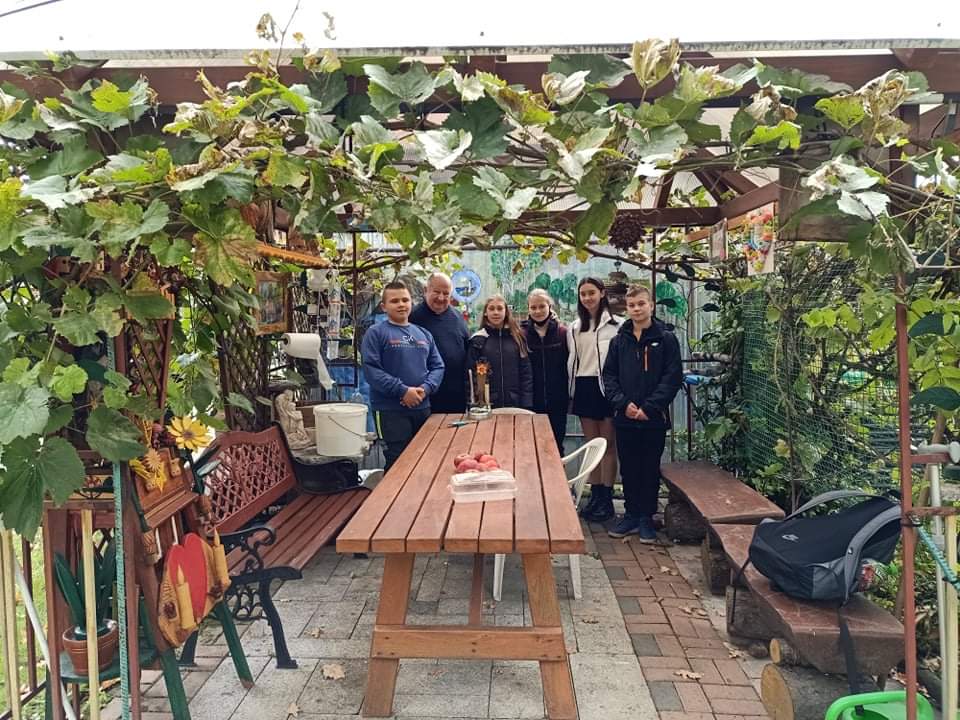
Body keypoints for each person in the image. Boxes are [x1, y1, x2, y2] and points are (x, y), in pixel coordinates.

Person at [602, 285, 682, 541]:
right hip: (625, 418)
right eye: (632, 305)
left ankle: (646, 517)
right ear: (627, 308)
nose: (636, 309)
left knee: (649, 467)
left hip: (653, 419)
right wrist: (622, 404)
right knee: (628, 467)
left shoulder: (666, 339)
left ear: (651, 305)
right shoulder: (619, 341)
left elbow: (672, 377)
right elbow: (609, 376)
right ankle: (631, 515)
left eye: (641, 304)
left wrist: (650, 407)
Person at [361, 281, 445, 470]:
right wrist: (402, 391)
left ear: (411, 303)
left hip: (422, 408)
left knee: (423, 459)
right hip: (390, 411)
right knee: (397, 462)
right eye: (394, 301)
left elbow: (438, 366)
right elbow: (371, 370)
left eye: (405, 300)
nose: (401, 304)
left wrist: (425, 389)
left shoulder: (424, 334)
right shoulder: (375, 333)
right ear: (384, 306)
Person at [567, 277, 621, 522]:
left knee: (608, 445)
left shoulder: (617, 325)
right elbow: (573, 360)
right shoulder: (575, 328)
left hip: (607, 388)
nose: (587, 298)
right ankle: (595, 496)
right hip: (583, 386)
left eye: (591, 292)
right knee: (592, 446)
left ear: (602, 293)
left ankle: (607, 498)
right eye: (583, 294)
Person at [409, 272, 470, 413]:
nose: (441, 298)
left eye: (446, 293)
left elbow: (468, 350)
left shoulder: (457, 318)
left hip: (456, 396)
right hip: (423, 396)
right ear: (426, 290)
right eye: (436, 292)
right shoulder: (412, 318)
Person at [466, 295, 533, 409]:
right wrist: (474, 403)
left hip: (515, 404)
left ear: (506, 312)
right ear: (485, 312)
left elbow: (526, 373)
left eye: (500, 308)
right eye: (491, 309)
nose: (496, 312)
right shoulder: (478, 340)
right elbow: (470, 376)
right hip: (487, 405)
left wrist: (527, 403)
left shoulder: (517, 338)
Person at [522, 289, 569, 453]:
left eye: (542, 306)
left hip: (558, 400)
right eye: (533, 307)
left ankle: (558, 471)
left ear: (550, 306)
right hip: (531, 401)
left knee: (556, 446)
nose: (538, 311)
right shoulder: (522, 335)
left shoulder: (563, 333)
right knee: (532, 447)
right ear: (528, 309)